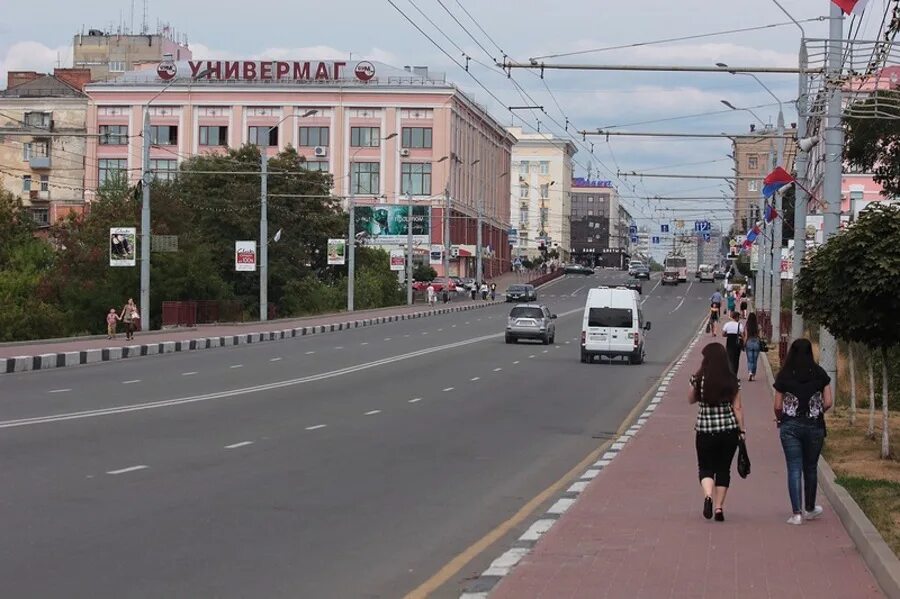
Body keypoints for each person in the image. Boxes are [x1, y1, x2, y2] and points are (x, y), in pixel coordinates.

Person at [774, 339, 833, 525]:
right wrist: (817, 410)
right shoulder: (820, 373)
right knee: (810, 467)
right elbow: (829, 401)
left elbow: (777, 405)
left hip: (790, 426)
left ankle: (797, 514)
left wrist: (780, 416)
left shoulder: (784, 375)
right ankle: (810, 508)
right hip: (814, 426)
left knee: (794, 468)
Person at [689, 343, 745, 522]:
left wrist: (697, 389)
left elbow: (690, 399)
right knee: (723, 469)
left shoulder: (698, 378)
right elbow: (737, 408)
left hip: (705, 430)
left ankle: (708, 497)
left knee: (705, 467)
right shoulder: (732, 380)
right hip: (728, 431)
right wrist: (742, 430)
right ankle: (719, 508)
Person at [722, 311, 744, 376]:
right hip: (737, 344)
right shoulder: (739, 325)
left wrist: (728, 335)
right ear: (736, 317)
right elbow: (743, 335)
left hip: (729, 343)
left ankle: (730, 373)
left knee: (729, 359)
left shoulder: (727, 324)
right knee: (736, 360)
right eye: (739, 317)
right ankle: (735, 373)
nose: (739, 319)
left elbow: (723, 334)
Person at [742, 312, 761, 381]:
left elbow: (746, 336)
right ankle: (753, 375)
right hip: (756, 342)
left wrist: (744, 344)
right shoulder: (758, 326)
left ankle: (750, 372)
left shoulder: (747, 325)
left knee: (750, 360)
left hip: (749, 342)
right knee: (755, 360)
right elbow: (760, 336)